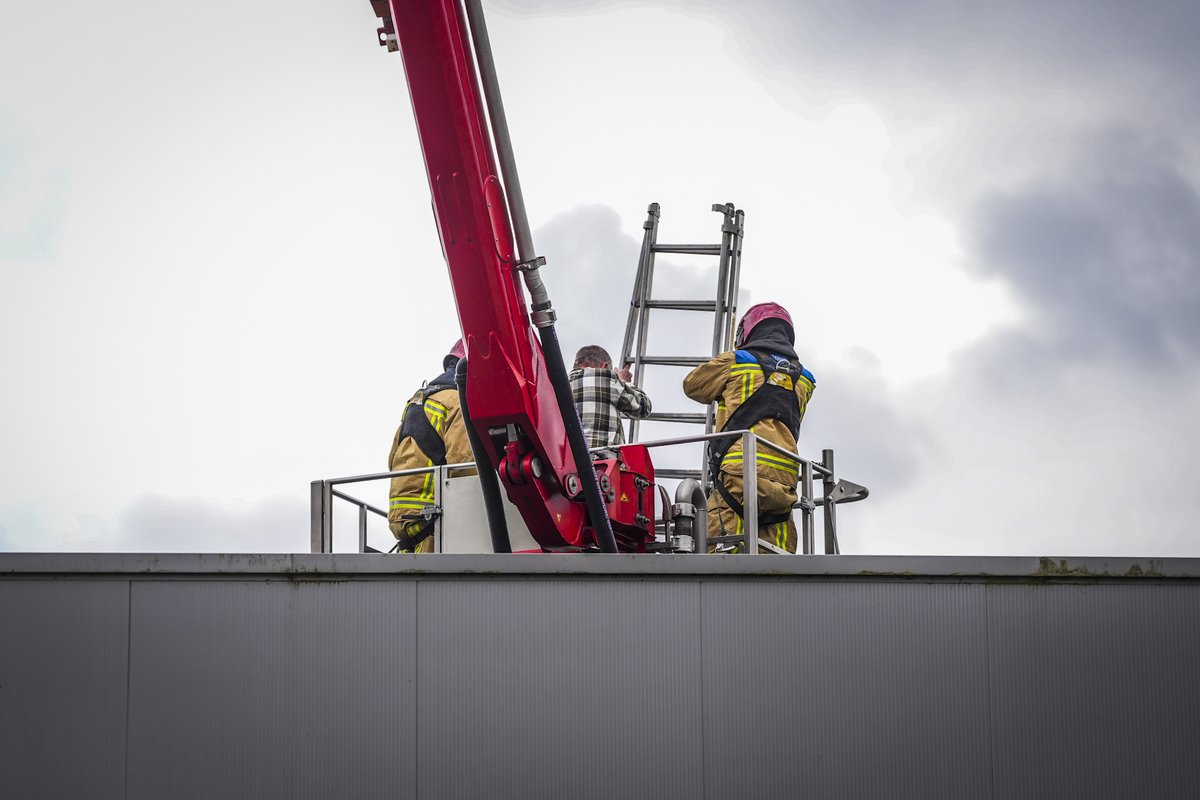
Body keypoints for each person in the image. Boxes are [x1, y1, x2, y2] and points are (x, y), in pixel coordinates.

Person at [682, 303, 815, 553]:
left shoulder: (737, 361)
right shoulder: (805, 379)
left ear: (747, 332)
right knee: (776, 559)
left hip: (740, 471)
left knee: (721, 554)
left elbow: (692, 385)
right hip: (786, 478)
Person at [387, 339, 474, 553]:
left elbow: (392, 459)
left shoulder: (418, 400)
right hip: (431, 523)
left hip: (402, 523)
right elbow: (464, 467)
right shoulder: (459, 400)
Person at [568, 345, 652, 450]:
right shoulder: (606, 378)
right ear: (605, 366)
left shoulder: (559, 384)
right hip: (600, 460)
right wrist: (624, 381)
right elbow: (644, 408)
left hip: (565, 460)